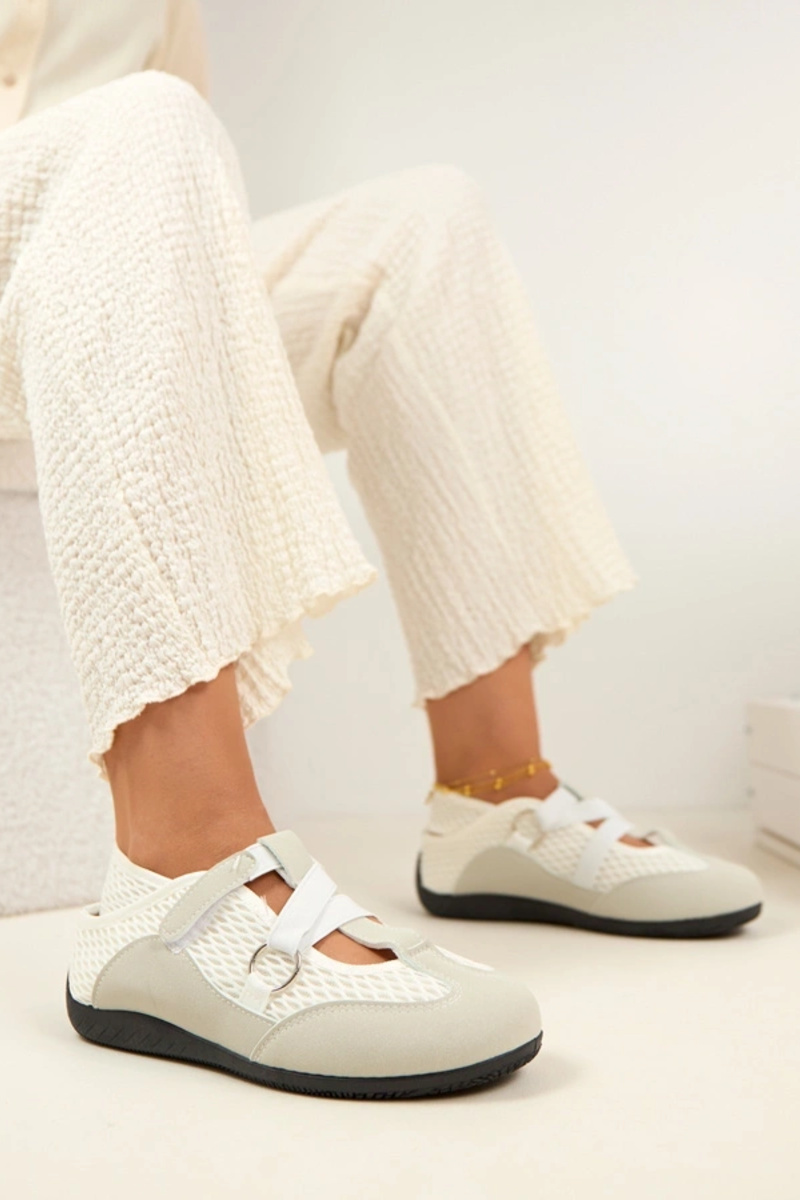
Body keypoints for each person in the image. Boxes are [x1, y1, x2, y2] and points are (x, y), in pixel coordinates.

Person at [0, 0, 761, 1100]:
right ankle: (176, 878)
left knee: (418, 223)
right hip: (52, 207)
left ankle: (493, 799)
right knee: (140, 124)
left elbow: (170, 196)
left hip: (83, 260)